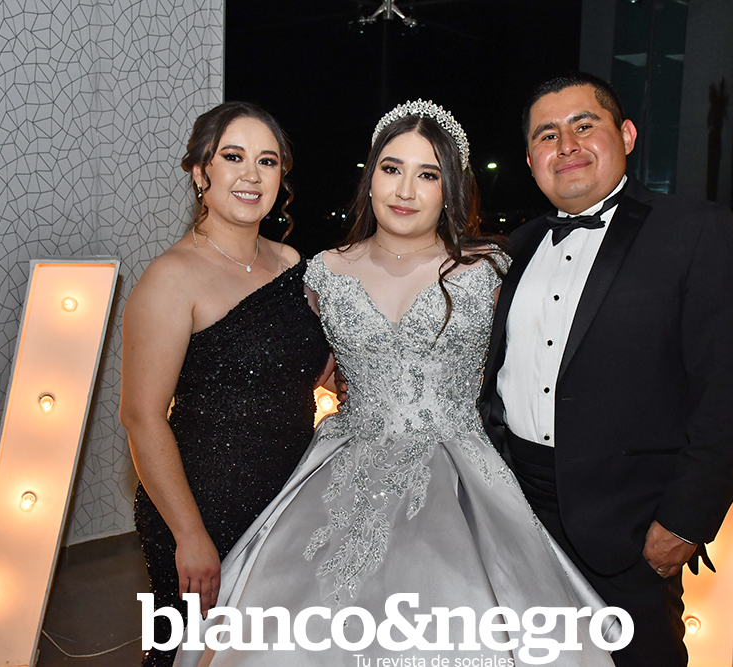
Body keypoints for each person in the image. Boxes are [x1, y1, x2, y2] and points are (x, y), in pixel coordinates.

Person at [176, 101, 617, 667]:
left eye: (428, 174)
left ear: (449, 188)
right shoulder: (322, 272)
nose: (405, 190)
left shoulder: (490, 269)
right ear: (370, 178)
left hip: (463, 478)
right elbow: (290, 365)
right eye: (391, 168)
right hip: (340, 468)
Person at [478, 73, 733, 666]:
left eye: (584, 125)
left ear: (627, 135)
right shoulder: (514, 249)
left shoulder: (693, 229)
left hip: (631, 528)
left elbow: (731, 389)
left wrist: (686, 521)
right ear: (530, 159)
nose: (567, 145)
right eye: (547, 135)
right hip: (517, 514)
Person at [121, 101, 333, 667]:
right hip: (202, 505)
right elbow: (141, 417)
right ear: (200, 172)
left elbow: (302, 368)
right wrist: (189, 534)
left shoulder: (292, 264)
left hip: (287, 498)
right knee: (190, 653)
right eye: (233, 157)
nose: (251, 175)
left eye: (267, 161)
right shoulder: (170, 278)